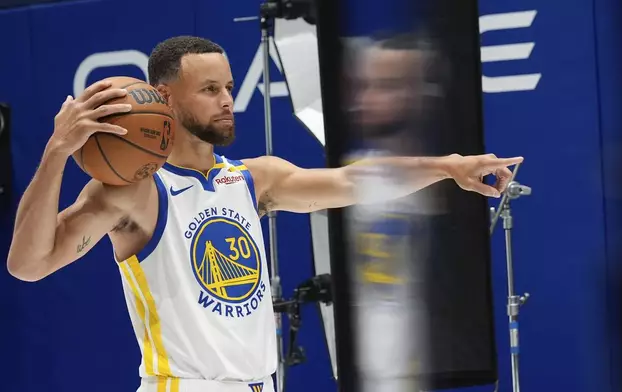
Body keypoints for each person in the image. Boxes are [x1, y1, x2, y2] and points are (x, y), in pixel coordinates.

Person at [6, 36, 522, 392]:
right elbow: (28, 265)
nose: (228, 101)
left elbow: (352, 181)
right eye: (210, 90)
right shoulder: (134, 191)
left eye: (229, 87)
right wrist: (55, 154)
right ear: (163, 98)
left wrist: (447, 166)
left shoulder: (254, 178)